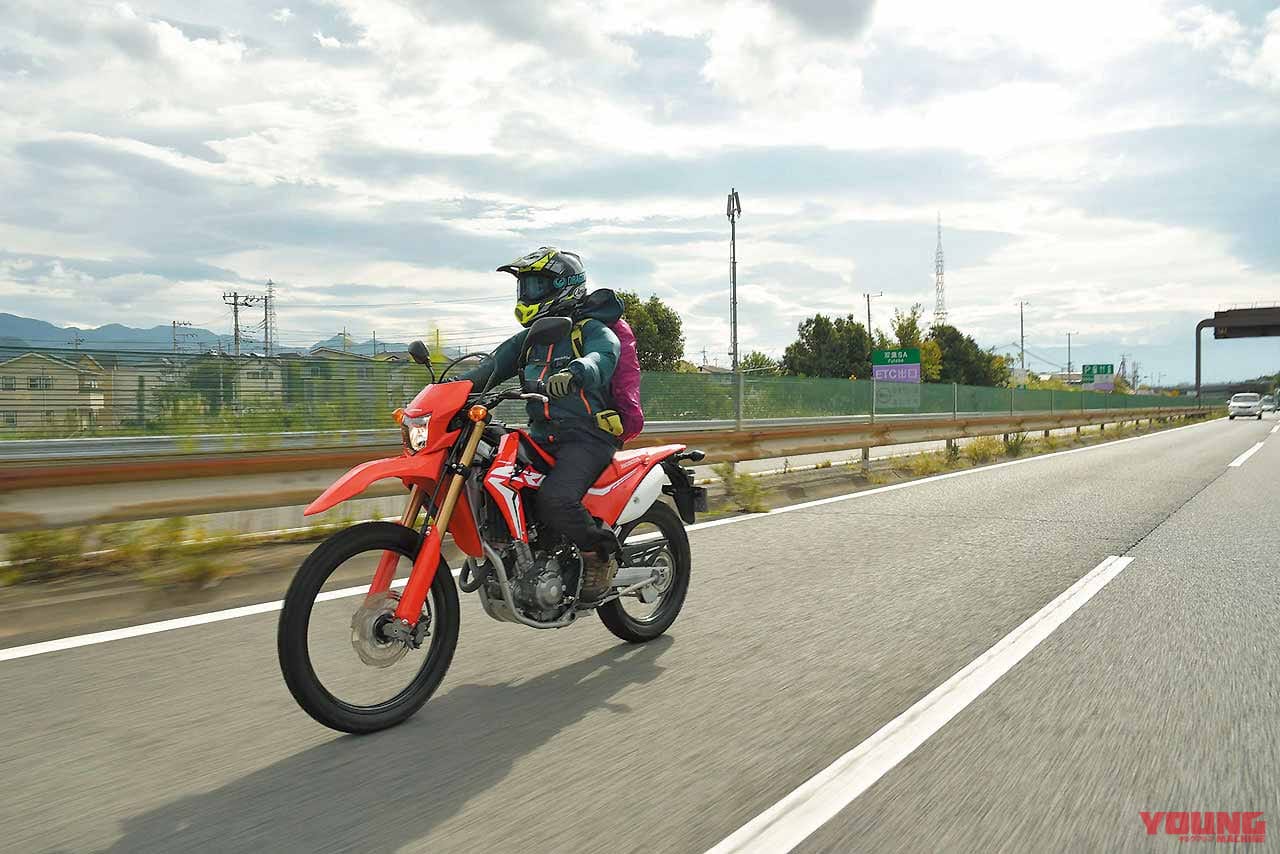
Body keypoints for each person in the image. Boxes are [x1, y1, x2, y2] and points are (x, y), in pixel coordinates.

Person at [455, 247, 626, 601]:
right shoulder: (529, 340)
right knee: (485, 468)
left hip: (587, 437)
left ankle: (599, 554)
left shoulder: (590, 329)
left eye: (536, 285)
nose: (527, 294)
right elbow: (488, 370)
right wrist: (445, 392)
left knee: (556, 499)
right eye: (524, 287)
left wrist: (578, 372)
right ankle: (516, 549)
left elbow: (604, 355)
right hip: (543, 437)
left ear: (564, 286)